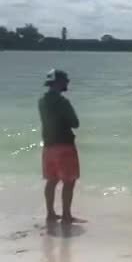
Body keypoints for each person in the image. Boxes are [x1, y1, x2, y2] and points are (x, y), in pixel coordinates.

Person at [38, 68, 83, 223]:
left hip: (48, 146)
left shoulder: (42, 102)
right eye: (66, 80)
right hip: (64, 145)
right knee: (69, 181)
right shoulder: (63, 102)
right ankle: (66, 215)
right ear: (58, 82)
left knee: (51, 180)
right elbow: (75, 123)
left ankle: (50, 213)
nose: (67, 83)